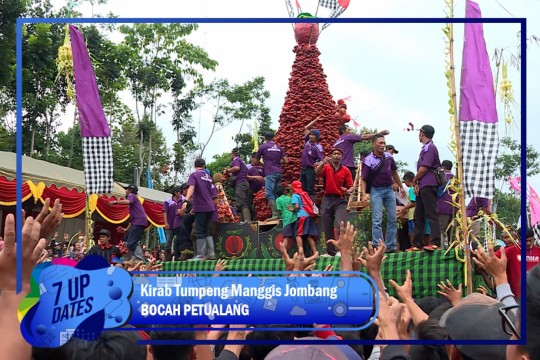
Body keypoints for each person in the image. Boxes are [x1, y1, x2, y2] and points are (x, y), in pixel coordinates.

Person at [361, 134, 404, 253]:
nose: (383, 145)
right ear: (373, 144)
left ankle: (390, 246)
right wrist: (364, 194)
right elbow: (363, 178)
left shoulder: (389, 157)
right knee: (377, 220)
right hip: (376, 191)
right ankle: (378, 245)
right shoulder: (368, 160)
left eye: (384, 143)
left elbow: (394, 172)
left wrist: (401, 186)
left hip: (389, 190)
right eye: (380, 143)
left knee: (393, 218)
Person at [315, 147, 354, 256]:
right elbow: (317, 173)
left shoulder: (346, 170)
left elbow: (351, 186)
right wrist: (322, 162)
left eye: (339, 154)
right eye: (334, 154)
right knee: (327, 225)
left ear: (342, 157)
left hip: (340, 200)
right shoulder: (326, 167)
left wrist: (348, 191)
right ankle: (330, 252)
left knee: (340, 223)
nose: (336, 156)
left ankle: (342, 250)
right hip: (327, 199)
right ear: (331, 156)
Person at [410, 125, 442, 251]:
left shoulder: (430, 147)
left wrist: (414, 181)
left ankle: (436, 242)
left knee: (431, 213)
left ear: (422, 134)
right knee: (418, 215)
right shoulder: (425, 148)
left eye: (419, 133)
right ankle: (417, 243)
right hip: (422, 184)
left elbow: (424, 168)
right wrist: (417, 183)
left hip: (429, 183)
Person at [184, 158, 218, 261]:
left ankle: (200, 255)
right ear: (204, 166)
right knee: (205, 230)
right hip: (210, 207)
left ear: (195, 166)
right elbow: (214, 193)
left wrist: (186, 199)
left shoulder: (194, 175)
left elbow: (191, 187)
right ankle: (211, 253)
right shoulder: (208, 177)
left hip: (201, 207)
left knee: (199, 230)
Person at [495, 228, 540, 299]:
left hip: (536, 295)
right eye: (525, 241)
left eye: (530, 240)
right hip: (516, 296)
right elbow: (492, 258)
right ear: (518, 239)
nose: (528, 243)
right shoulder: (510, 251)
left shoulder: (538, 251)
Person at [254, 131, 289, 220]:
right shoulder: (279, 147)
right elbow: (286, 161)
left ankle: (275, 214)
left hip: (270, 172)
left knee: (269, 193)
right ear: (274, 138)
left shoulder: (263, 147)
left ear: (265, 138)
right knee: (275, 192)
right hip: (279, 172)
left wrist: (264, 165)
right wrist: (276, 162)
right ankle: (282, 211)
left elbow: (255, 161)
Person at [109, 184, 148, 261]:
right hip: (137, 222)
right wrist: (126, 229)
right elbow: (132, 220)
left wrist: (115, 202)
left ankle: (139, 259)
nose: (126, 191)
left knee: (130, 243)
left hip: (139, 222)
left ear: (130, 190)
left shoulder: (132, 195)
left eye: (126, 190)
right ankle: (128, 259)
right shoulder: (133, 204)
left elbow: (128, 201)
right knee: (126, 241)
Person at [290, 180, 319, 256]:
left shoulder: (295, 195)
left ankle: (301, 253)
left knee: (298, 234)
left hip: (302, 216)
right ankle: (315, 252)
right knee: (309, 235)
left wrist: (292, 209)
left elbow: (297, 206)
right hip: (309, 215)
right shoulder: (305, 194)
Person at [226, 148, 251, 223]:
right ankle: (245, 219)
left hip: (241, 183)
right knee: (243, 201)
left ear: (233, 154)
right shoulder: (242, 162)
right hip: (245, 183)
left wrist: (227, 170)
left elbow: (236, 168)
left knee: (241, 202)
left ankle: (247, 220)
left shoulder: (236, 160)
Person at [301, 120, 324, 200]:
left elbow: (322, 160)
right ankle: (304, 206)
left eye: (313, 135)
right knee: (303, 188)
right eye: (310, 134)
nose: (311, 136)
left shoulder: (318, 146)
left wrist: (317, 167)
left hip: (310, 169)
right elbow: (306, 128)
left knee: (310, 189)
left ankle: (312, 206)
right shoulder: (307, 142)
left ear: (317, 137)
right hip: (303, 168)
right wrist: (316, 120)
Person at [437, 160, 456, 248]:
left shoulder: (440, 177)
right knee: (453, 231)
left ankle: (440, 250)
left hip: (442, 206)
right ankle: (453, 251)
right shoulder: (456, 178)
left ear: (443, 167)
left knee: (441, 230)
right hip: (455, 207)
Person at [162, 186, 183, 261]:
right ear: (175, 192)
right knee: (168, 242)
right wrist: (166, 223)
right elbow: (164, 212)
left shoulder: (182, 199)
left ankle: (178, 257)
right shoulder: (168, 201)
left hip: (178, 225)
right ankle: (167, 259)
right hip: (170, 225)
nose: (180, 193)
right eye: (179, 192)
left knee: (179, 241)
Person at [275, 185, 296, 250]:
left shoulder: (278, 200)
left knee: (286, 237)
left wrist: (278, 217)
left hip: (286, 220)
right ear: (284, 192)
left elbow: (279, 211)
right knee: (297, 236)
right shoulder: (290, 198)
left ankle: (284, 255)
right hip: (294, 217)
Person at [246, 152, 265, 221]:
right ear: (252, 158)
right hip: (251, 189)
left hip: (261, 191)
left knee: (261, 206)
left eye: (258, 158)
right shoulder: (248, 167)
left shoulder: (262, 167)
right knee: (250, 206)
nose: (257, 160)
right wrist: (255, 177)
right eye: (255, 158)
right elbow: (245, 177)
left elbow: (266, 176)